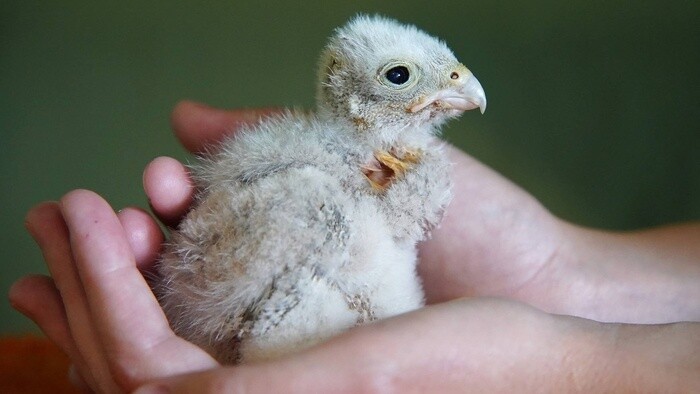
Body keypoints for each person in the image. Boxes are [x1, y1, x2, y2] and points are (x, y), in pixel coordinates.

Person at [9, 101, 700, 393]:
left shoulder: (388, 179)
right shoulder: (316, 183)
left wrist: (581, 371)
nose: (458, 91)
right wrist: (565, 278)